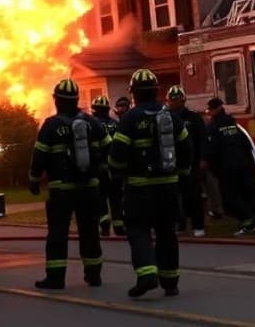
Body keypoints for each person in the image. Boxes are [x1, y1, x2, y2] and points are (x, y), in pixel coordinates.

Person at [107, 69, 193, 298]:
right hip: (169, 187)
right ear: (156, 91)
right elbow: (186, 149)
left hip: (139, 188)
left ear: (133, 93)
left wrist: (115, 172)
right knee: (167, 232)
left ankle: (147, 275)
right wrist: (182, 173)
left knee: (138, 230)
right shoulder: (172, 117)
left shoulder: (129, 119)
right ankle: (170, 281)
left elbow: (117, 154)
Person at [29, 79, 110, 289]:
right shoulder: (92, 123)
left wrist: (34, 179)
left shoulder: (51, 125)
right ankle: (94, 275)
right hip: (89, 187)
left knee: (58, 233)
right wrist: (103, 173)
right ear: (76, 100)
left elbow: (39, 156)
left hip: (61, 190)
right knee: (90, 231)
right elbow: (109, 148)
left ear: (57, 100)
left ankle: (55, 278)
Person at [206, 97, 255, 236]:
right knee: (243, 194)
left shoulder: (213, 127)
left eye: (211, 109)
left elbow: (212, 149)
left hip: (227, 167)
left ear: (216, 109)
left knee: (229, 199)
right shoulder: (232, 123)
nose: (210, 112)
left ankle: (249, 219)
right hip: (241, 164)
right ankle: (248, 222)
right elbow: (245, 144)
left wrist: (213, 168)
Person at [166, 86, 207, 237]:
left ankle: (198, 226)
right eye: (172, 100)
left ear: (183, 100)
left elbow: (202, 139)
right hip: (172, 164)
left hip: (192, 163)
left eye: (177, 100)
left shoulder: (194, 118)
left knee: (194, 195)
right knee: (175, 197)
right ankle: (180, 224)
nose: (174, 103)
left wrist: (203, 158)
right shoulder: (164, 118)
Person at [90, 95, 125, 236]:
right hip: (115, 168)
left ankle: (104, 224)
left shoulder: (93, 125)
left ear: (94, 110)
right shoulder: (116, 124)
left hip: (99, 168)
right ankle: (119, 226)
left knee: (101, 197)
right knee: (116, 197)